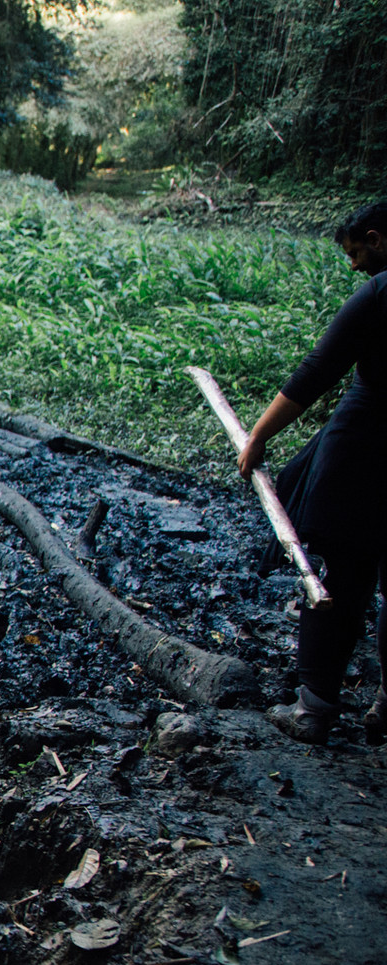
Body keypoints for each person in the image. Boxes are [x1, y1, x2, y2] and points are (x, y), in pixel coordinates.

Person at [235, 199, 387, 744]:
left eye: (356, 253)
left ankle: (313, 711)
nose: (354, 266)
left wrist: (258, 435)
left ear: (377, 238)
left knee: (338, 576)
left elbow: (318, 369)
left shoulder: (379, 292)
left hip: (365, 447)